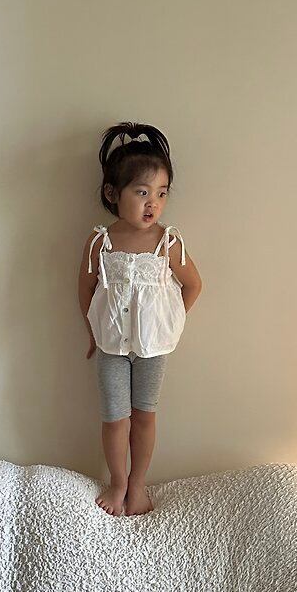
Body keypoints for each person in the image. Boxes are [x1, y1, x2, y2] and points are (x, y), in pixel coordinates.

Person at [78, 123, 202, 516]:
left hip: (153, 350)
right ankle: (117, 482)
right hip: (111, 347)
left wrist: (167, 324)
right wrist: (92, 333)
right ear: (112, 193)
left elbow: (193, 285)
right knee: (116, 419)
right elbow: (85, 288)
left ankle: (138, 483)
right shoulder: (100, 241)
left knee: (145, 416)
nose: (153, 204)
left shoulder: (169, 242)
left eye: (162, 193)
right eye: (142, 192)